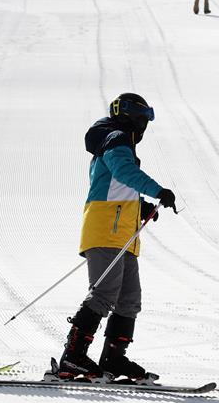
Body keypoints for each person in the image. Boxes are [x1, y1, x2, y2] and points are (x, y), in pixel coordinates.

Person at [57, 93, 177, 381]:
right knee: (104, 295)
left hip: (123, 233)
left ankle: (113, 360)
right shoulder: (116, 139)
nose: (144, 125)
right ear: (130, 117)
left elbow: (118, 185)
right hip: (106, 230)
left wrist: (143, 207)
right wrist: (157, 191)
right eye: (142, 118)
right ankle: (72, 357)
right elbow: (124, 172)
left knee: (129, 299)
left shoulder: (118, 141)